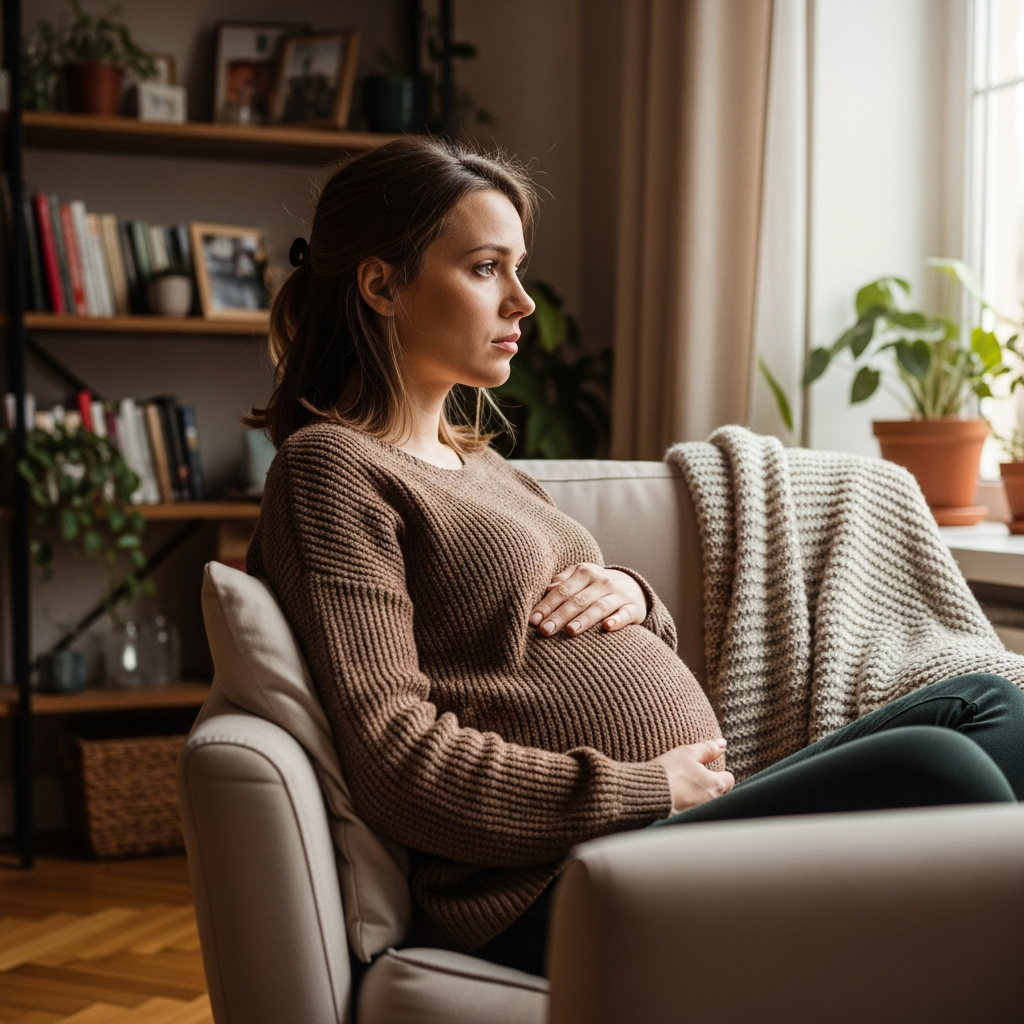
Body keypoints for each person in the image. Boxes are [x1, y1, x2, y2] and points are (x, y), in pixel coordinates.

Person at [245, 136, 1024, 978]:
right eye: (484, 268)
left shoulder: (482, 464)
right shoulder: (331, 469)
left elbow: (569, 628)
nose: (522, 301)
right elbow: (398, 758)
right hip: (557, 884)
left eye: (518, 267)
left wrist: (631, 593)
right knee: (936, 768)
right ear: (380, 283)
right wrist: (644, 788)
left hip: (667, 826)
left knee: (986, 703)